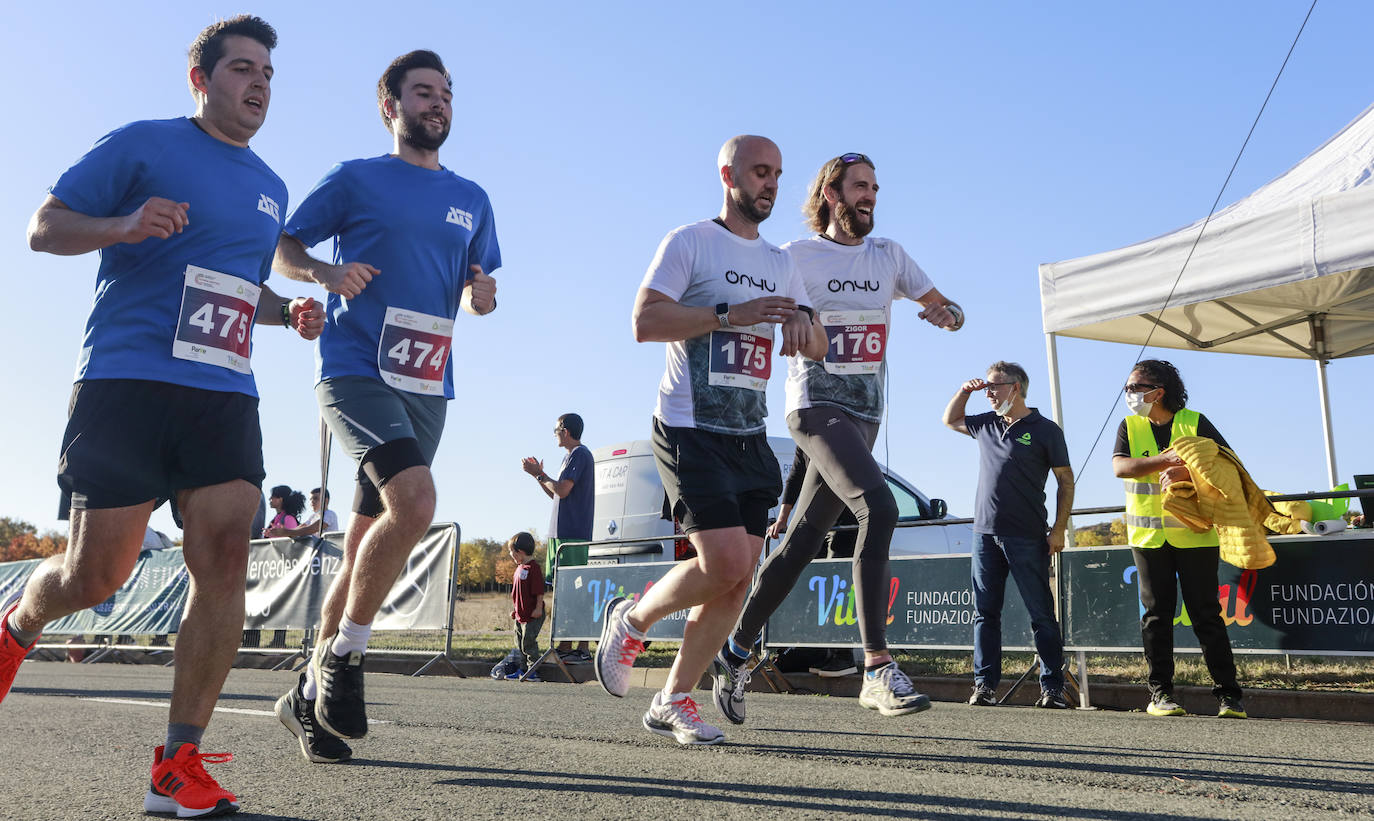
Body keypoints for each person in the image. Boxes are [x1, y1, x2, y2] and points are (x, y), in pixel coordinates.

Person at [2, 16, 324, 817]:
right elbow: (44, 228)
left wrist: (290, 314)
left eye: (268, 75)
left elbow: (242, 290)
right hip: (125, 380)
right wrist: (124, 223)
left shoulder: (271, 186)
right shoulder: (142, 144)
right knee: (96, 573)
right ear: (201, 79)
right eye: (243, 69)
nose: (259, 85)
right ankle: (17, 622)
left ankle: (176, 765)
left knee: (222, 555)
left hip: (223, 391)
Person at [271, 49, 500, 763]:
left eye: (446, 94)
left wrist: (480, 294)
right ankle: (346, 656)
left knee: (369, 538)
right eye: (423, 92)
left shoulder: (473, 197)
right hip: (355, 369)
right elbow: (282, 244)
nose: (437, 103)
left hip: (428, 381)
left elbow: (477, 279)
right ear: (389, 106)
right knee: (415, 502)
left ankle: (306, 694)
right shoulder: (355, 178)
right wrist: (324, 271)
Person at [712, 152, 959, 726]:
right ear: (831, 194)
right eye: (859, 187)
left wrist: (948, 316)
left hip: (864, 417)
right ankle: (876, 668)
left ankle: (735, 650)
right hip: (815, 408)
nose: (870, 196)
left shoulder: (888, 255)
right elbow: (754, 303)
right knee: (878, 507)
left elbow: (943, 305)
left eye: (875, 187)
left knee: (802, 542)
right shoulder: (795, 257)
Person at [594, 135, 817, 746]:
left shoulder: (782, 260)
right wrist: (729, 314)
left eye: (777, 174)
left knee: (738, 579)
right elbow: (644, 321)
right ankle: (633, 619)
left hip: (749, 434)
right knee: (723, 562)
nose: (770, 183)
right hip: (689, 425)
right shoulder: (690, 241)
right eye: (760, 172)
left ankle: (674, 699)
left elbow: (816, 345)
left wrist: (804, 324)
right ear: (728, 174)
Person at [1111, 359, 1246, 719]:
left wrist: (1187, 469)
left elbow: (1229, 465)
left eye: (1136, 387)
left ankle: (1229, 697)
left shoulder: (1195, 422)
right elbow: (1120, 467)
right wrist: (1164, 461)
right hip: (1149, 537)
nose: (1130, 394)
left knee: (1207, 615)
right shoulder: (1129, 425)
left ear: (1159, 390)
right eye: (1127, 388)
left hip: (1196, 533)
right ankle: (1160, 695)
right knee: (1157, 616)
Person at [943, 361, 1074, 709]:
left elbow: (1065, 480)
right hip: (984, 534)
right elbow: (951, 420)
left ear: (1016, 387)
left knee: (1041, 613)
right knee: (985, 613)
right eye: (986, 386)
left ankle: (1053, 688)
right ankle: (984, 685)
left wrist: (1059, 528)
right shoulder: (986, 423)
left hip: (1027, 534)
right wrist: (964, 392)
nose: (988, 392)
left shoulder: (1045, 429)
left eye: (995, 386)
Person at [521, 412, 593, 663]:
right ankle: (565, 645)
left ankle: (581, 647)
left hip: (572, 535)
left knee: (575, 591)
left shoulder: (580, 454)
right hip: (561, 534)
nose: (554, 435)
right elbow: (556, 494)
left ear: (565, 430)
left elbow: (562, 490)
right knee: (564, 591)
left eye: (555, 430)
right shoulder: (569, 457)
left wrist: (540, 475)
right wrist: (538, 476)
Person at [506, 532, 546, 682]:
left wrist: (537, 608)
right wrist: (515, 610)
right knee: (519, 642)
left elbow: (539, 591)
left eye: (512, 552)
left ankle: (532, 671)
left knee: (528, 642)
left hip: (532, 613)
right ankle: (522, 669)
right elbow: (518, 594)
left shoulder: (532, 568)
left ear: (520, 552)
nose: (511, 555)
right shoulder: (520, 568)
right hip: (520, 614)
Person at [269, 487, 340, 538]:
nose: (312, 501)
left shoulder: (330, 514)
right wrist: (280, 532)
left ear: (326, 500)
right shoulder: (313, 516)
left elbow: (310, 529)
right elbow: (300, 528)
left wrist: (286, 532)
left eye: (315, 498)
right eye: (310, 499)